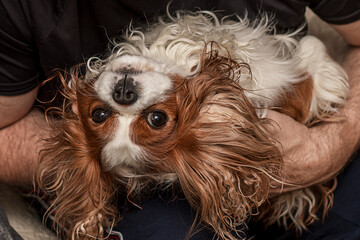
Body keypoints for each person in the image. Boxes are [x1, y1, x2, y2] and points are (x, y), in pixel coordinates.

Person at [0, 0, 359, 239]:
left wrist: (327, 147)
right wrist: (119, 172)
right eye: (100, 113)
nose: (122, 98)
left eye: (103, 112)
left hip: (303, 142)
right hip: (147, 193)